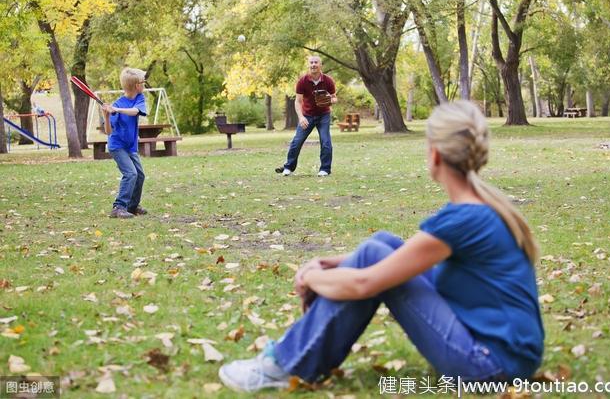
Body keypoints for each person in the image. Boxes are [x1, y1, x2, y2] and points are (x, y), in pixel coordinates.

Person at [219, 101, 545, 392]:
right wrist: (328, 264)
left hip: (491, 368)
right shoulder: (480, 209)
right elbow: (402, 257)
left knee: (375, 256)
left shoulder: (462, 220)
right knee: (383, 243)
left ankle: (285, 364)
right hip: (508, 359)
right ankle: (289, 356)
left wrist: (310, 277)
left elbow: (366, 283)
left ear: (434, 153)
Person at [275, 55, 337, 177]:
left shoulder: (328, 81)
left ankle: (325, 169)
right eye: (311, 62)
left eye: (316, 62)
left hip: (323, 115)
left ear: (320, 65)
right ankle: (288, 168)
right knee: (297, 141)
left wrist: (331, 99)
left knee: (325, 141)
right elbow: (298, 102)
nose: (313, 64)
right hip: (307, 116)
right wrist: (301, 117)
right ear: (308, 65)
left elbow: (334, 98)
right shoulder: (302, 81)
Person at [103, 67, 148, 219]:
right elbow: (108, 132)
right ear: (137, 85)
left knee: (140, 175)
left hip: (130, 146)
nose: (145, 84)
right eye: (143, 82)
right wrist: (107, 115)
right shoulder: (118, 103)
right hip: (117, 146)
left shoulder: (139, 98)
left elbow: (135, 111)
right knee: (130, 174)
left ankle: (132, 206)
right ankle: (119, 207)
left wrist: (116, 109)